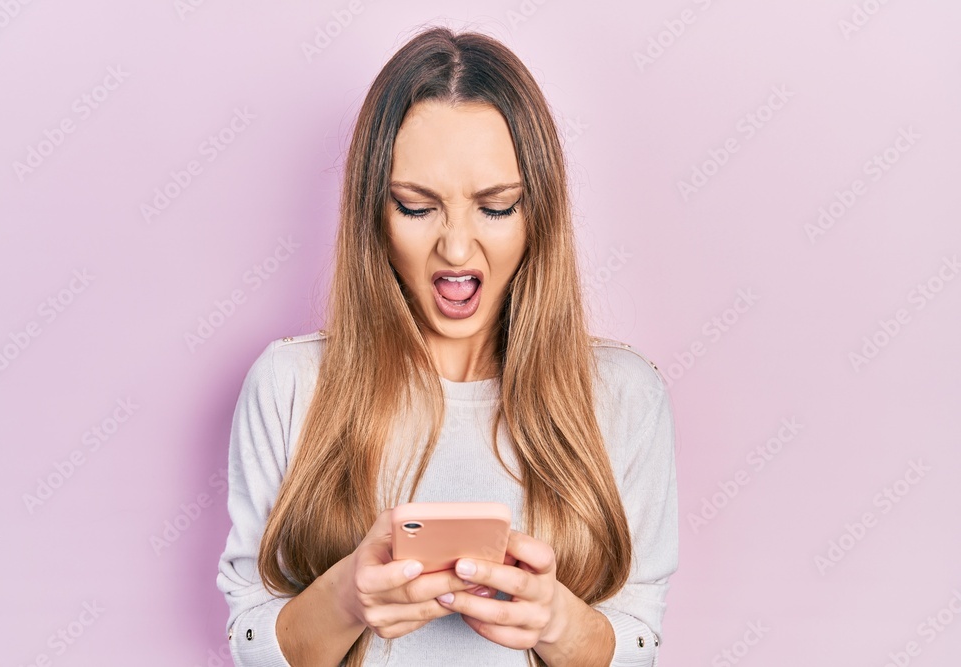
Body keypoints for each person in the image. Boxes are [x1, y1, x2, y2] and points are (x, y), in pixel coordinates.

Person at [216, 24, 678, 667]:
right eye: (415, 206)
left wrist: (556, 623)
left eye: (496, 207)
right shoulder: (291, 383)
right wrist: (347, 599)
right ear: (373, 211)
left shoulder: (622, 394)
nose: (457, 250)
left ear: (537, 212)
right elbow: (248, 646)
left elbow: (640, 645)